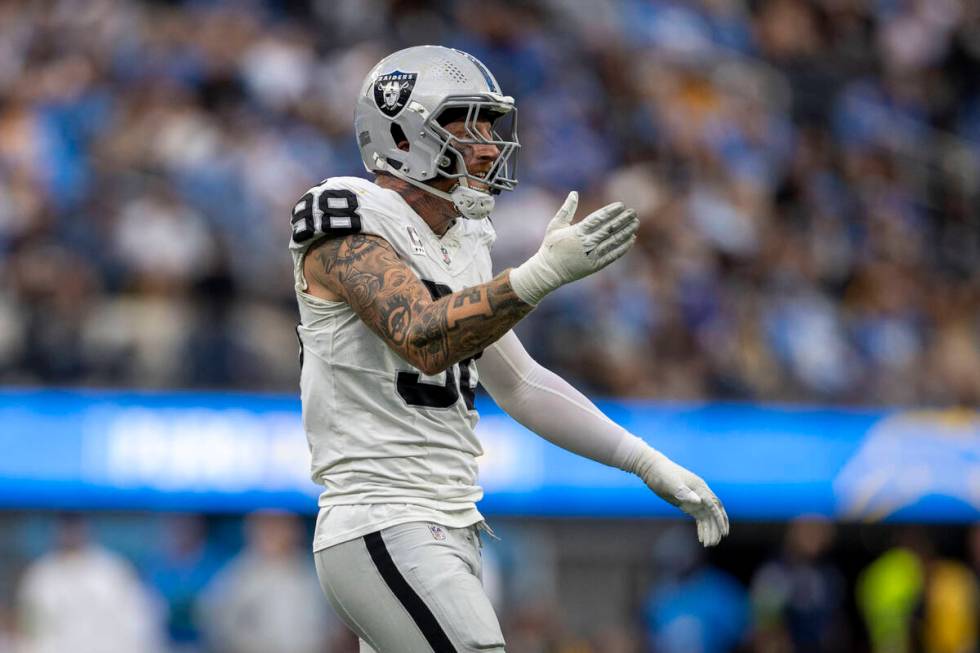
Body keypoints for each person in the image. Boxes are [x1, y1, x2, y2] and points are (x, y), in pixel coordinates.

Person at [289, 45, 729, 653]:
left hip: (449, 520)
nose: (489, 145)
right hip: (382, 516)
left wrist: (645, 461)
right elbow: (421, 335)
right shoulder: (342, 211)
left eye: (492, 126)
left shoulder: (465, 240)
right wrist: (537, 276)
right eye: (467, 124)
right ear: (401, 129)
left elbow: (519, 382)